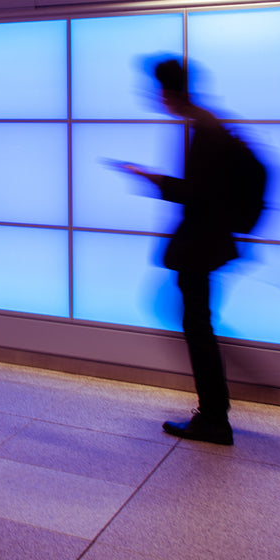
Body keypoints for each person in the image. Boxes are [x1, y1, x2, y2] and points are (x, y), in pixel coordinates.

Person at [115, 57, 243, 446]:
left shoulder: (204, 131)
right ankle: (214, 412)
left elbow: (197, 194)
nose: (156, 96)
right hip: (206, 243)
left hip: (200, 245)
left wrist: (152, 179)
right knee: (198, 324)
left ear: (170, 91)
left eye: (158, 89)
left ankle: (214, 418)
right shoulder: (208, 123)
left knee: (198, 327)